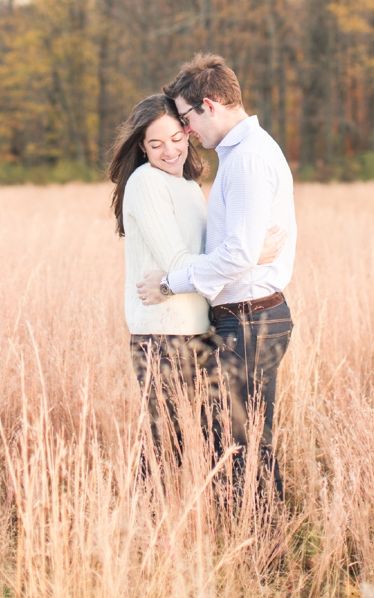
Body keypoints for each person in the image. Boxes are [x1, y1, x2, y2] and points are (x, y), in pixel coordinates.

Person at [135, 53, 297, 501]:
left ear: (209, 105)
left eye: (186, 119)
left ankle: (265, 559)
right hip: (248, 318)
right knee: (234, 441)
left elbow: (240, 252)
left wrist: (169, 283)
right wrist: (245, 255)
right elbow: (241, 249)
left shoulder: (246, 159)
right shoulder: (249, 151)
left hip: (249, 319)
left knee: (241, 447)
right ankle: (256, 549)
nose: (186, 132)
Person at [109, 93, 283, 469]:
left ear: (188, 133)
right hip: (163, 334)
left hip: (197, 331)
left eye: (176, 138)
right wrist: (249, 254)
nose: (169, 151)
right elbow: (178, 263)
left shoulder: (188, 186)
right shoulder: (146, 182)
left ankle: (194, 524)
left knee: (199, 443)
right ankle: (145, 526)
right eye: (155, 144)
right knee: (162, 448)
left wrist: (239, 254)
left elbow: (204, 261)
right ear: (141, 146)